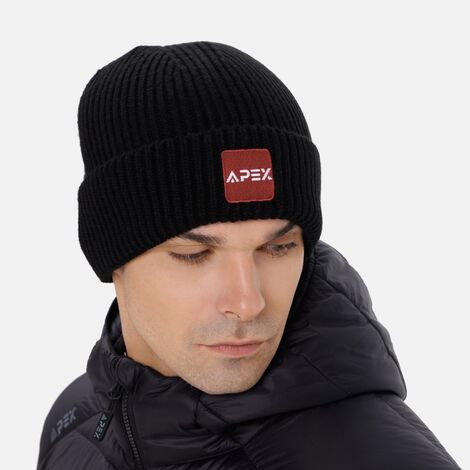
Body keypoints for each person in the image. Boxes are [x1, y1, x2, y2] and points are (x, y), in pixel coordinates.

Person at [37, 41, 461, 469]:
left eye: (278, 247)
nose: (248, 302)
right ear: (110, 254)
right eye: (194, 253)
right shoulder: (79, 419)